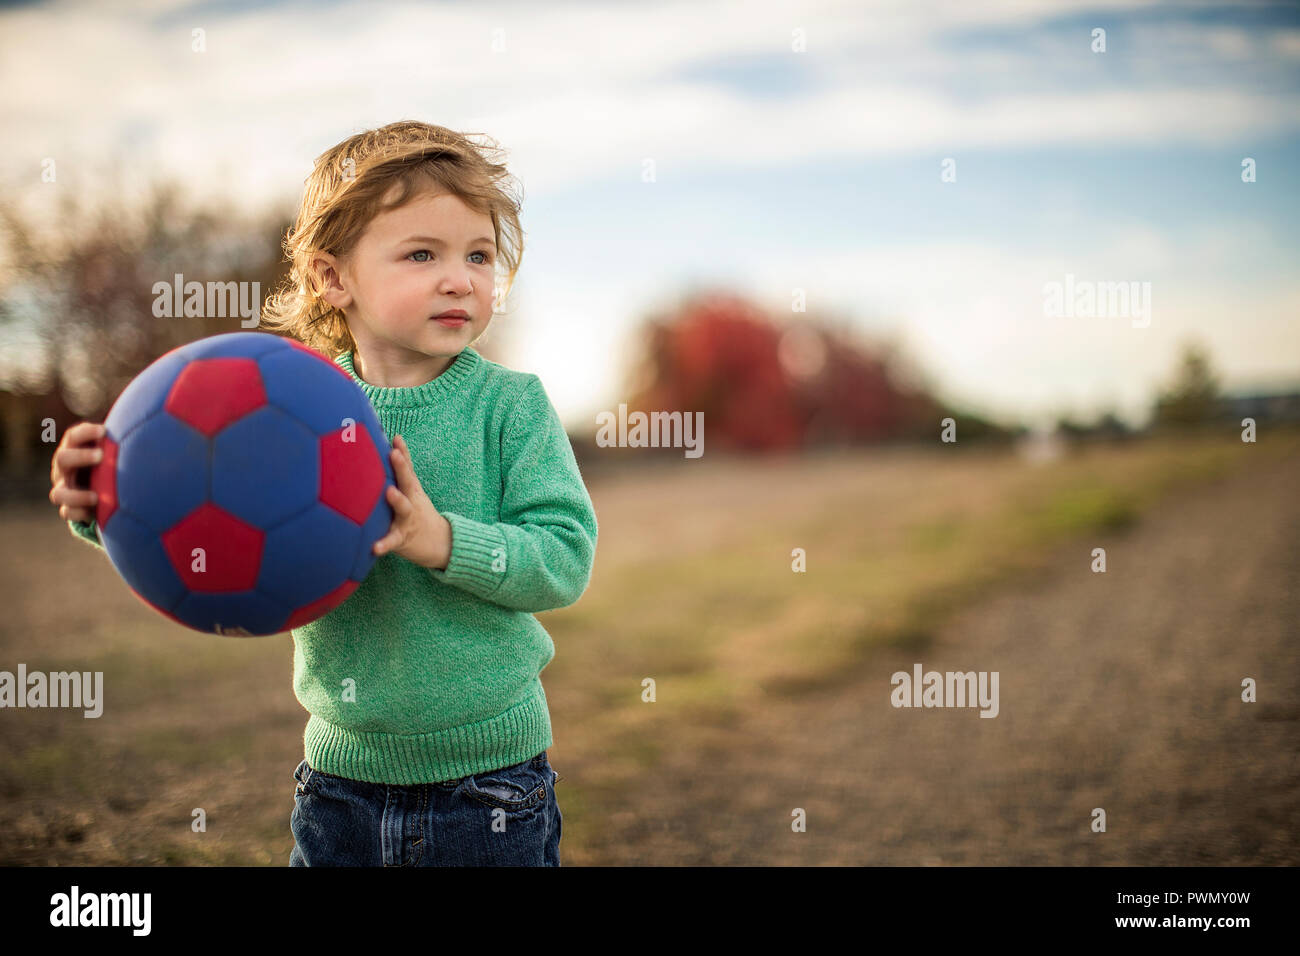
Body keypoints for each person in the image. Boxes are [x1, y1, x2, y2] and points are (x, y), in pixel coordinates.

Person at [48, 120, 598, 866]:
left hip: (491, 784)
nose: (461, 278)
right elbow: (201, 510)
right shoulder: (293, 405)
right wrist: (101, 497)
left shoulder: (510, 406)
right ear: (331, 278)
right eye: (421, 254)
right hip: (338, 783)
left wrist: (444, 541)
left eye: (478, 255)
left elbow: (564, 558)